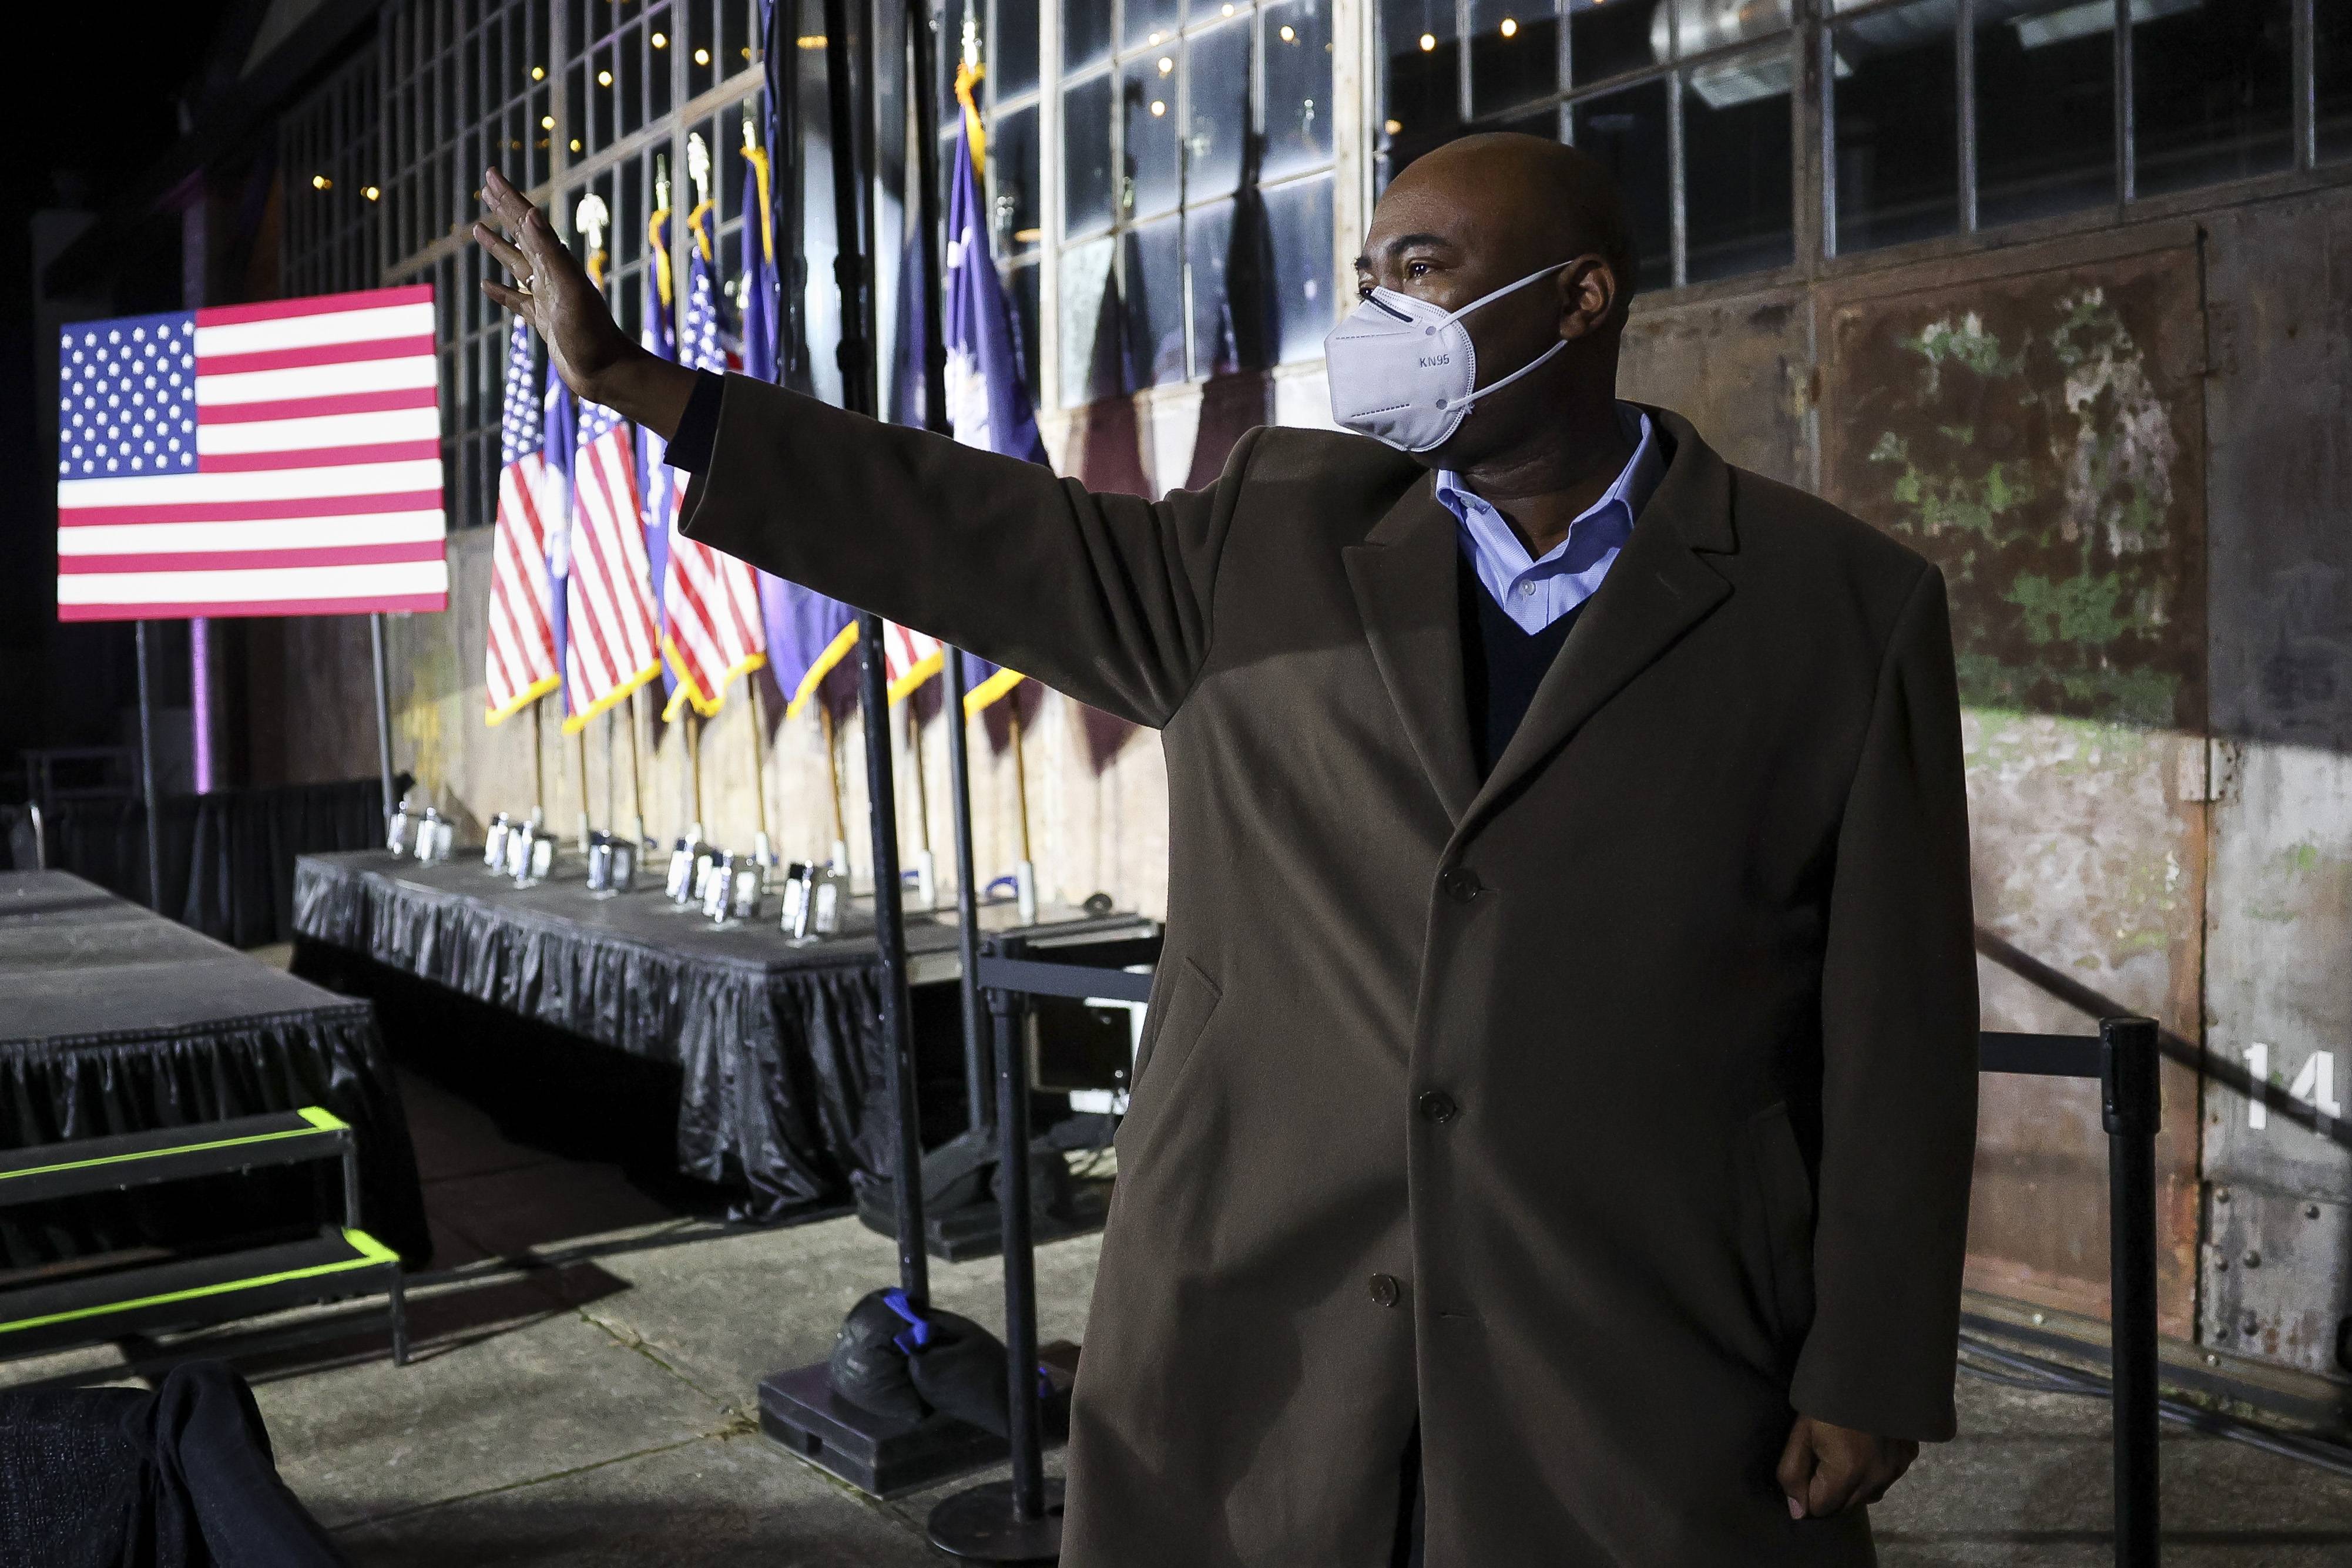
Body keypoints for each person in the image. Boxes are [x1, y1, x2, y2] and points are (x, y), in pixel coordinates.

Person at [472, 131, 1979, 1567]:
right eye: (1369, 272)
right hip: (1264, 1326)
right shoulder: (1274, 530)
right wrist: (643, 387)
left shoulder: (1834, 605)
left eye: (1425, 269)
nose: (1380, 309)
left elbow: (1896, 1023)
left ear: (1579, 299)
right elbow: (965, 528)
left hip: (1633, 1347)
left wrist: (1871, 1363)